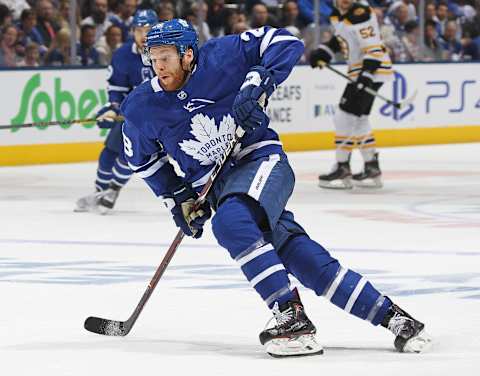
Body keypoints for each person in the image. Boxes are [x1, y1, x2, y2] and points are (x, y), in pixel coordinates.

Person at [121, 18, 432, 357]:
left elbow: (286, 41)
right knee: (302, 257)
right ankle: (395, 318)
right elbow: (145, 161)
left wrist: (258, 83)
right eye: (153, 56)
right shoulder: (141, 106)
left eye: (166, 55)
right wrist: (177, 198)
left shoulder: (223, 55)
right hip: (219, 188)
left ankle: (291, 317)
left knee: (230, 223)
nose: (159, 65)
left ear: (188, 54)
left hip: (261, 162)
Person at [75, 9, 158, 214]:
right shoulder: (122, 55)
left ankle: (113, 190)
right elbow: (117, 88)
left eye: (148, 30)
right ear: (132, 31)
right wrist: (112, 109)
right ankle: (100, 191)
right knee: (109, 152)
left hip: (158, 118)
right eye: (139, 30)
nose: (143, 35)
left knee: (130, 154)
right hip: (130, 113)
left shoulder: (168, 53)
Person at [309, 0, 393, 189]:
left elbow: (373, 48)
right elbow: (341, 40)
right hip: (362, 72)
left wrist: (367, 76)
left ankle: (342, 167)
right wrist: (324, 52)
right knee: (359, 119)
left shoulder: (360, 13)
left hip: (371, 69)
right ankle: (371, 167)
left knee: (343, 117)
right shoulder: (336, 14)